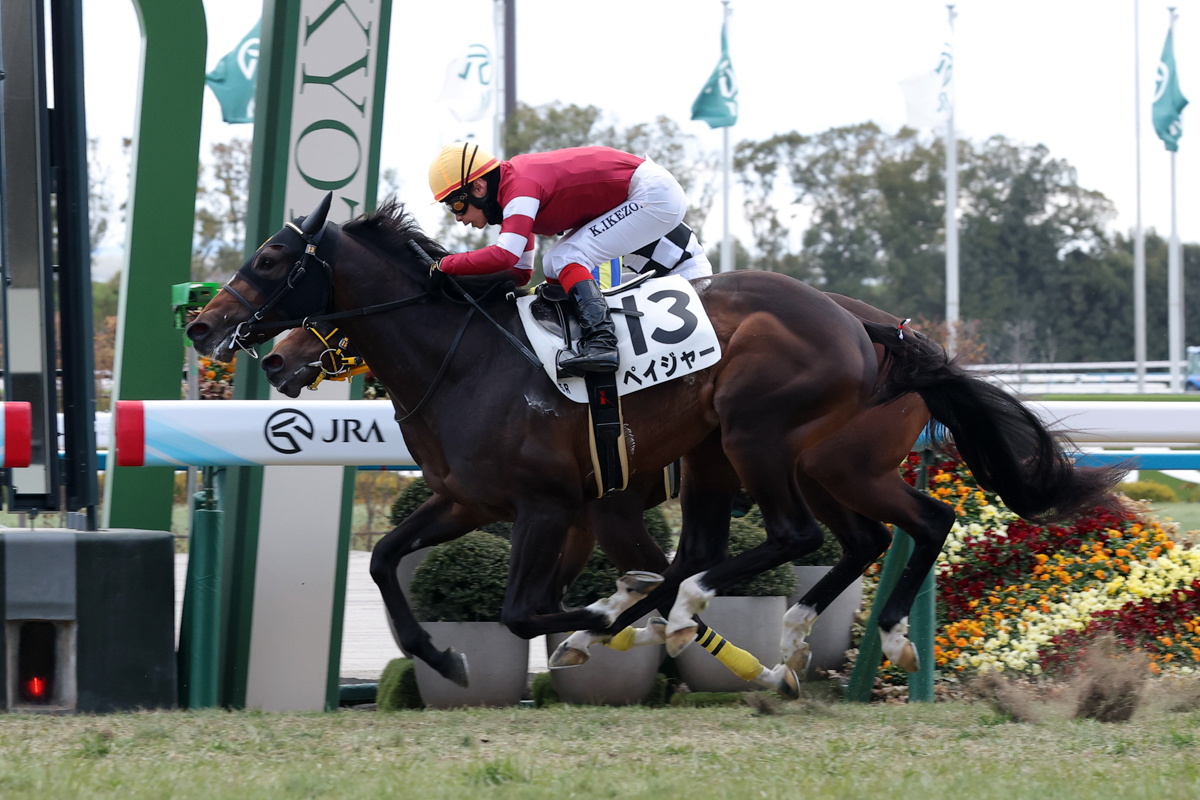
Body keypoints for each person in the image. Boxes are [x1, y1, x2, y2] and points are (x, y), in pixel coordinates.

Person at [428, 141, 712, 376]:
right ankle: (585, 338)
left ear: (479, 187)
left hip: (654, 195)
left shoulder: (519, 186)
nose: (458, 217)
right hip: (652, 198)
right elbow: (520, 271)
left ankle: (602, 342)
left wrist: (444, 265)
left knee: (566, 257)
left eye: (456, 204)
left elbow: (504, 255)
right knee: (553, 262)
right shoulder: (512, 194)